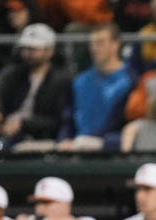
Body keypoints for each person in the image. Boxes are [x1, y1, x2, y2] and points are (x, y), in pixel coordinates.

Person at [0, 23, 71, 153]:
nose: (28, 53)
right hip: (5, 134)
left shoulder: (61, 80)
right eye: (25, 48)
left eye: (34, 49)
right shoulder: (13, 73)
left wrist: (24, 124)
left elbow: (58, 121)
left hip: (39, 137)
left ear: (50, 51)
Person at [58, 22, 135, 152]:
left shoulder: (130, 80)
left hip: (110, 147)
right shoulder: (80, 81)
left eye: (100, 43)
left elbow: (126, 123)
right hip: (77, 146)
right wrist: (64, 138)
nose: (94, 48)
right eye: (92, 44)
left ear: (115, 44)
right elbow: (69, 117)